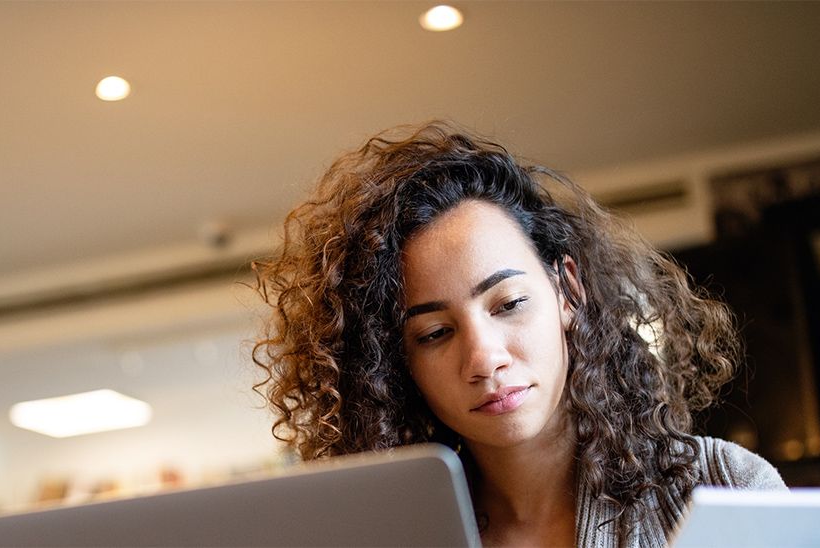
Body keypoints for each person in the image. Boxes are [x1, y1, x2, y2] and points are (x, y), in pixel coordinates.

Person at [250, 122, 783, 546]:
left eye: (509, 304)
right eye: (435, 333)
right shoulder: (392, 538)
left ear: (568, 293)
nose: (484, 358)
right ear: (395, 366)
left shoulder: (720, 489)